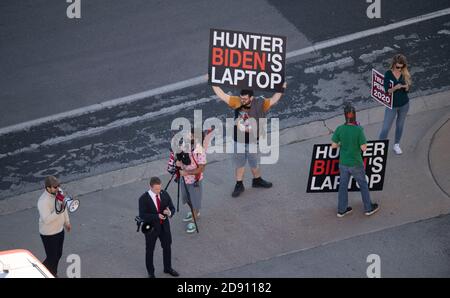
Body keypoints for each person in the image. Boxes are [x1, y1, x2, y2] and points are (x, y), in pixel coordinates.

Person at [212, 83, 286, 197]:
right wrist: (213, 82)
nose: (242, 101)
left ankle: (257, 180)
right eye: (241, 98)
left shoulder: (260, 103)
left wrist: (282, 87)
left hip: (253, 140)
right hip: (239, 140)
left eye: (245, 99)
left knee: (254, 162)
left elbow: (274, 99)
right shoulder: (237, 101)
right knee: (240, 164)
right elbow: (222, 95)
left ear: (251, 98)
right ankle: (239, 184)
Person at [332, 104, 379, 217]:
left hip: (343, 164)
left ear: (345, 116)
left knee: (343, 186)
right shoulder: (358, 130)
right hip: (356, 163)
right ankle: (368, 208)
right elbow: (364, 148)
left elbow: (333, 146)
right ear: (355, 116)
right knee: (363, 185)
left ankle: (342, 210)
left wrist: (342, 143)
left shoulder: (339, 129)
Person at [138, 176, 178, 278]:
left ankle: (168, 268)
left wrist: (169, 212)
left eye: (159, 188)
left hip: (164, 227)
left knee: (167, 247)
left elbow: (172, 208)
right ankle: (151, 273)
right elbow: (142, 215)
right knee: (150, 250)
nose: (158, 191)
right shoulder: (143, 199)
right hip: (151, 228)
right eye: (156, 189)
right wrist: (156, 216)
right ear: (150, 187)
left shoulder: (164, 194)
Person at [37, 176, 71, 277]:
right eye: (55, 187)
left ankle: (53, 273)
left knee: (58, 255)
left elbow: (63, 207)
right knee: (51, 257)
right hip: (48, 234)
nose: (58, 188)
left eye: (58, 186)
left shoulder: (58, 192)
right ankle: (39, 273)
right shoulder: (42, 201)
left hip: (59, 231)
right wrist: (58, 211)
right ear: (48, 188)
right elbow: (46, 220)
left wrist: (67, 222)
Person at [379, 54, 412, 155]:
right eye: (397, 67)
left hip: (404, 104)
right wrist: (395, 87)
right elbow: (386, 90)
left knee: (400, 125)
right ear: (393, 64)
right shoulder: (388, 74)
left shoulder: (404, 73)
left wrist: (407, 87)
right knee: (385, 127)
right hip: (392, 106)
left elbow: (407, 89)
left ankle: (396, 144)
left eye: (401, 67)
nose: (399, 69)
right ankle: (379, 147)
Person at [176, 129, 207, 233]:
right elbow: (179, 156)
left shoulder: (200, 151)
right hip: (184, 179)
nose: (188, 136)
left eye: (191, 135)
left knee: (195, 200)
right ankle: (195, 212)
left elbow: (201, 168)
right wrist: (178, 162)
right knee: (188, 199)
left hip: (194, 181)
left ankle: (194, 220)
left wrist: (187, 173)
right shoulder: (185, 145)